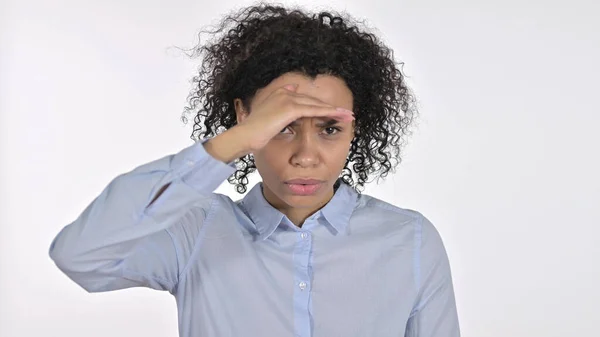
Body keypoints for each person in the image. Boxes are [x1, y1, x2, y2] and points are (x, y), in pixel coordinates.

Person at [49, 3, 460, 337]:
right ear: (245, 117)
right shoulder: (195, 232)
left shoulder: (410, 241)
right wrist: (233, 142)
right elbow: (80, 256)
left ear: (356, 127)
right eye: (282, 127)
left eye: (330, 128)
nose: (305, 156)